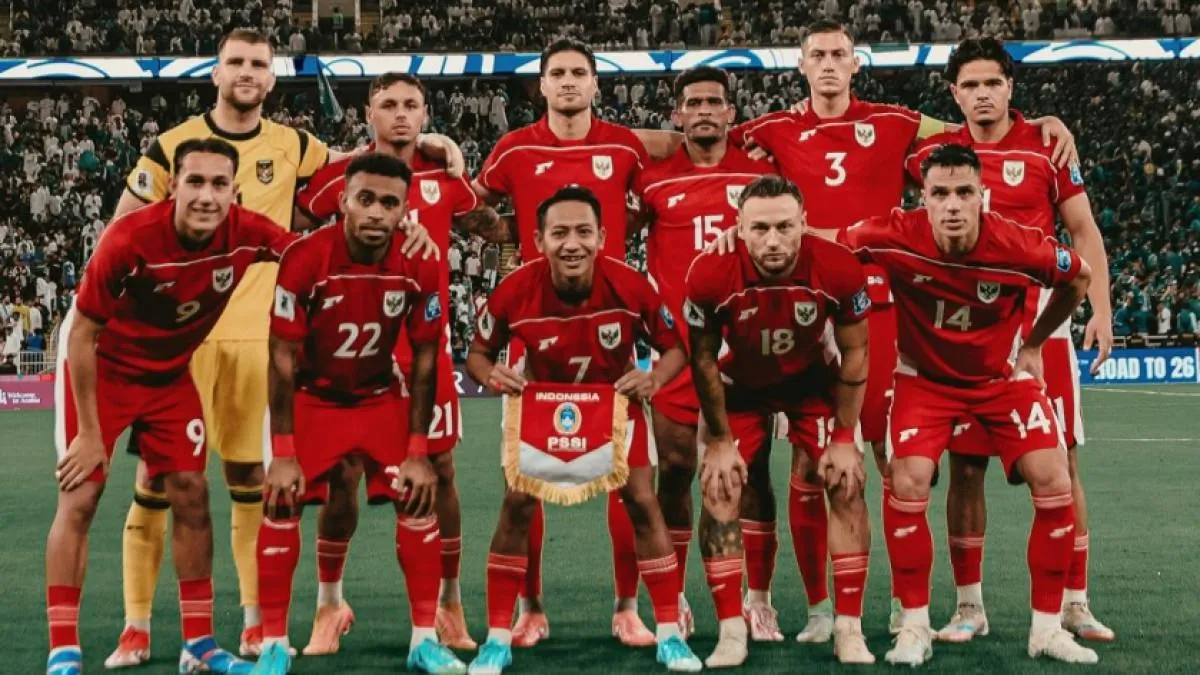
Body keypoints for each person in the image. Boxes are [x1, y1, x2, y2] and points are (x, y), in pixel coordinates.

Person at [692, 18, 1079, 641]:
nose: (828, 64)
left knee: (889, 457)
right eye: (817, 54)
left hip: (875, 309)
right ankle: (820, 609)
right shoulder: (771, 128)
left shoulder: (899, 123)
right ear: (801, 64)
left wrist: (1042, 123)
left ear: (856, 63)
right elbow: (699, 134)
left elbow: (972, 124)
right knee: (808, 461)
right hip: (803, 307)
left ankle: (905, 605)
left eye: (838, 54)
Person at [106, 28, 455, 665]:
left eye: (258, 64)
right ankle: (136, 624)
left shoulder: (295, 144)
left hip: (258, 334)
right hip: (181, 339)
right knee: (156, 480)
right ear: (216, 72)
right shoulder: (173, 144)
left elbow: (364, 168)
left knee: (255, 482)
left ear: (272, 77)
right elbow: (123, 228)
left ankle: (252, 626)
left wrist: (428, 145)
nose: (247, 72)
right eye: (235, 62)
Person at [840, 144, 1098, 666]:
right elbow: (833, 250)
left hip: (999, 379)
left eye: (964, 192)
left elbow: (1080, 276)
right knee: (908, 479)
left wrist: (1033, 344)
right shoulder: (893, 233)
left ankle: (1047, 629)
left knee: (1054, 477)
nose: (953, 205)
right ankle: (915, 626)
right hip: (924, 381)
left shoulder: (1018, 244)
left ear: (983, 196)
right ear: (923, 199)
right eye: (940, 193)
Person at [46, 138, 292, 675]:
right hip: (102, 368)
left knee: (191, 492)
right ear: (173, 186)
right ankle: (63, 650)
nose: (206, 196)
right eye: (195, 182)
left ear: (235, 192)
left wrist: (403, 234)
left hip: (168, 374)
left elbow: (312, 255)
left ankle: (198, 644)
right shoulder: (128, 238)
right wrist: (89, 433)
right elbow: (82, 333)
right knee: (82, 494)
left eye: (219, 184)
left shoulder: (248, 231)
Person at [904, 37, 1115, 643]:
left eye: (992, 83)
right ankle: (969, 607)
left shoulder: (1047, 146)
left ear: (1010, 87)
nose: (982, 95)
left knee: (1062, 460)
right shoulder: (936, 154)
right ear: (954, 93)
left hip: (1041, 322)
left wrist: (1101, 309)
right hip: (968, 325)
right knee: (966, 466)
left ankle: (1073, 602)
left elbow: (1083, 229)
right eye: (970, 85)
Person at [293, 71, 505, 654]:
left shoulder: (443, 176)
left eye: (412, 104)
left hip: (424, 352)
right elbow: (297, 223)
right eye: (388, 104)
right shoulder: (341, 176)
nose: (401, 114)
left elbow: (489, 223)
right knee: (342, 476)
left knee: (439, 474)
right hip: (350, 352)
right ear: (369, 113)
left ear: (426, 113)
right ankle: (329, 604)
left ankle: (448, 603)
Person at [463, 186, 702, 675]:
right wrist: (492, 375)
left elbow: (676, 347)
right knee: (517, 503)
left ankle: (668, 633)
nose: (572, 244)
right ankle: (499, 636)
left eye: (583, 232)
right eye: (559, 233)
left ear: (603, 236)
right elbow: (478, 354)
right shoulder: (515, 289)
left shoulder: (631, 286)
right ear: (538, 240)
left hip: (613, 402)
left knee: (642, 500)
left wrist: (654, 378)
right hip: (543, 405)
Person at [251, 153, 466, 675]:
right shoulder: (305, 257)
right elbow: (281, 356)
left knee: (418, 496)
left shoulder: (420, 259)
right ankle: (274, 644)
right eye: (365, 199)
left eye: (389, 203)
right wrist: (283, 452)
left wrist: (418, 451)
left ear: (404, 211)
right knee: (280, 501)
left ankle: (423, 641)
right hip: (312, 398)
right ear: (343, 201)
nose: (375, 212)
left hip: (377, 397)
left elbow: (426, 356)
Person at [472, 38, 654, 646]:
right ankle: (530, 608)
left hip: (610, 324)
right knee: (523, 487)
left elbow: (654, 200)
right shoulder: (514, 147)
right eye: (558, 73)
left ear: (596, 84)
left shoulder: (624, 146)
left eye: (580, 72)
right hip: (535, 326)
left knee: (628, 481)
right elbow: (473, 205)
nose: (569, 81)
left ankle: (627, 607)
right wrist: (508, 233)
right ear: (543, 86)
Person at [685, 175, 874, 667]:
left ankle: (848, 628)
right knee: (720, 485)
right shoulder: (709, 272)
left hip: (811, 384)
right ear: (739, 228)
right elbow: (702, 359)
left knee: (847, 481)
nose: (773, 240)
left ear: (804, 224)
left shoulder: (837, 266)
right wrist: (719, 439)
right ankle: (731, 631)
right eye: (760, 228)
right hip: (740, 388)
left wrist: (845, 437)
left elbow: (856, 350)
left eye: (785, 227)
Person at [635, 65, 773, 638]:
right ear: (677, 115)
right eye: (693, 103)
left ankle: (758, 599)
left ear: (731, 113)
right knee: (674, 473)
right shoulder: (653, 183)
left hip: (743, 355)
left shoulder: (762, 175)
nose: (704, 111)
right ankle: (675, 598)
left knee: (752, 475)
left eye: (715, 102)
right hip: (678, 355)